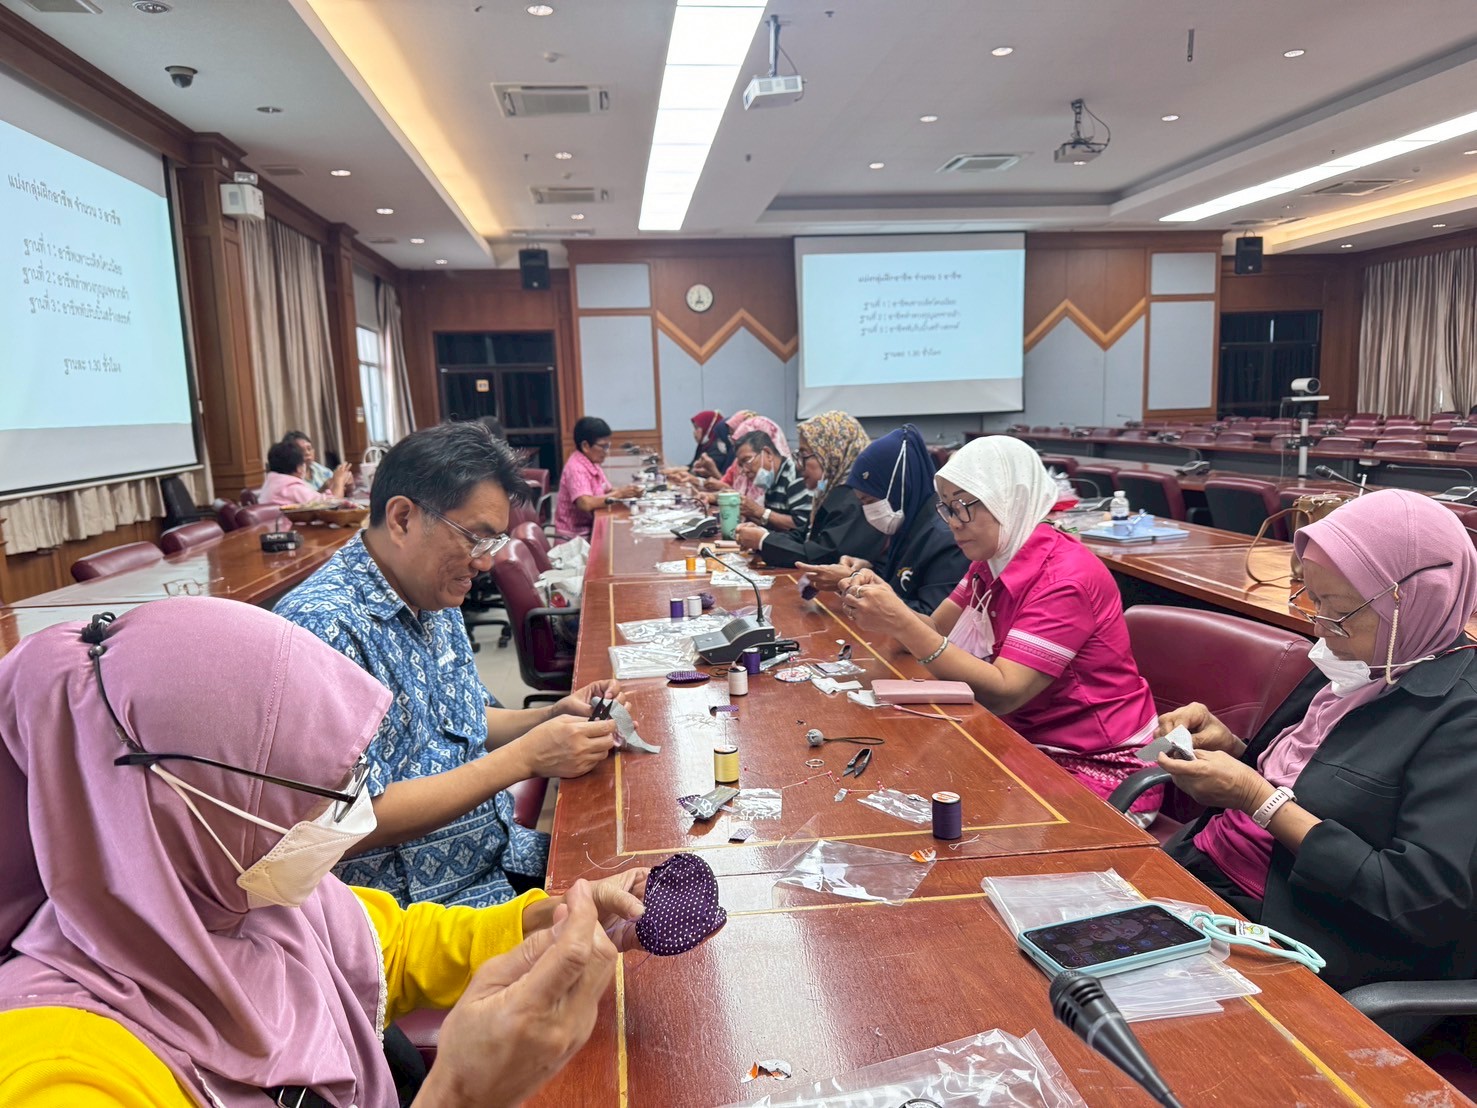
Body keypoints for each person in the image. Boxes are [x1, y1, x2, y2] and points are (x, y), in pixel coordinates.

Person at [0, 598, 650, 1106]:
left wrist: (542, 921)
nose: (352, 811)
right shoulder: (55, 1071)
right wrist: (460, 1095)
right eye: (314, 791)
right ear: (177, 802)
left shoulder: (237, 897)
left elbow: (389, 946)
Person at [275, 421, 623, 908]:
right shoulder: (321, 630)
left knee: (634, 878)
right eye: (475, 538)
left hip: (497, 856)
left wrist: (549, 717)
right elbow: (337, 824)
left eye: (494, 543)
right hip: (419, 914)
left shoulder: (432, 595)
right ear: (401, 519)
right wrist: (525, 758)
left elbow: (461, 721)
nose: (485, 563)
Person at [1154, 490, 1477, 997]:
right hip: (1206, 870)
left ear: (1417, 602)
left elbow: (1415, 901)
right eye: (1314, 599)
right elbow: (1313, 778)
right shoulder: (1358, 660)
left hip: (1307, 934)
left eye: (1339, 611)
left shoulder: (1461, 715)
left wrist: (1257, 798)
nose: (1321, 626)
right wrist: (1234, 751)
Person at [837, 436, 1158, 817]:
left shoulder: (1064, 579)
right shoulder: (991, 561)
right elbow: (933, 630)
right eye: (947, 509)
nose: (954, 524)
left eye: (963, 507)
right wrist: (887, 601)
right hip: (1023, 743)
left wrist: (903, 623)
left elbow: (1005, 693)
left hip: (1097, 769)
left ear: (1009, 498)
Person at [797, 424, 969, 614]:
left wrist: (854, 585)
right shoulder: (907, 526)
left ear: (899, 491)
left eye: (870, 500)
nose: (867, 511)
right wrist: (863, 572)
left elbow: (931, 621)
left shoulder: (945, 538)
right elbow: (892, 583)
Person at [735, 410, 884, 569]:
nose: (799, 466)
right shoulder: (828, 490)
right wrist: (764, 537)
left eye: (805, 455)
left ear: (831, 453)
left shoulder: (857, 497)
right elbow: (804, 536)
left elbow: (822, 556)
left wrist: (763, 540)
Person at [554, 416, 642, 539]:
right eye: (603, 446)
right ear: (585, 446)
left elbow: (607, 490)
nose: (606, 451)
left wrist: (628, 492)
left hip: (591, 529)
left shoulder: (592, 463)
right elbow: (585, 503)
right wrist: (620, 494)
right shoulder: (576, 467)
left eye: (608, 446)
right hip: (575, 539)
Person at [726, 429, 811, 533]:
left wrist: (759, 511)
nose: (745, 470)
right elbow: (774, 523)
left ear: (768, 453)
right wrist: (750, 513)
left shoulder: (793, 475)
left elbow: (802, 525)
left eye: (747, 460)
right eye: (741, 465)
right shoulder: (771, 480)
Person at [257, 439, 351, 506]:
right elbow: (332, 504)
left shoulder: (271, 483)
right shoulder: (292, 488)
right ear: (299, 468)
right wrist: (339, 481)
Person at [284, 428, 351, 493]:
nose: (307, 453)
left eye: (309, 448)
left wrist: (348, 485)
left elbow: (339, 492)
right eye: (301, 450)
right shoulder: (290, 476)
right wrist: (322, 489)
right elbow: (304, 502)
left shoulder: (323, 471)